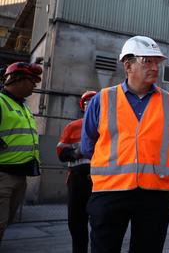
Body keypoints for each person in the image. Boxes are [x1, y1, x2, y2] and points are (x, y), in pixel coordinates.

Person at [81, 36, 169, 253]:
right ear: (128, 65)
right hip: (109, 192)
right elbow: (88, 146)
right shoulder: (102, 99)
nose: (155, 67)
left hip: (156, 194)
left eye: (158, 62)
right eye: (147, 60)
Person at [0, 62, 42, 244]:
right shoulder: (1, 101)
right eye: (31, 80)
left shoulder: (23, 107)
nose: (35, 85)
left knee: (6, 222)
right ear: (17, 79)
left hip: (20, 176)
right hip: (3, 175)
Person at [56, 90, 97, 253]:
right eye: (88, 103)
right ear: (83, 107)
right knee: (76, 221)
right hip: (78, 180)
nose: (92, 105)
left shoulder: (109, 126)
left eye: (95, 102)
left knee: (101, 221)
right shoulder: (72, 127)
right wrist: (75, 153)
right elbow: (61, 153)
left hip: (102, 180)